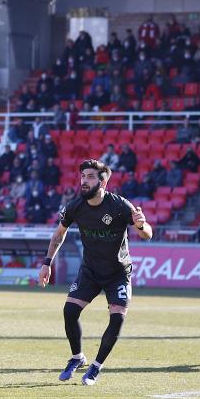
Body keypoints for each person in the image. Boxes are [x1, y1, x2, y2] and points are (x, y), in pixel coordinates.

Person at [39, 159, 152, 386]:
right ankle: (77, 357)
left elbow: (147, 234)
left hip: (118, 273)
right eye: (82, 176)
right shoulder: (74, 207)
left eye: (90, 177)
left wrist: (141, 225)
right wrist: (47, 262)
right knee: (70, 311)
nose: (84, 181)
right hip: (90, 271)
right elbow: (58, 234)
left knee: (117, 317)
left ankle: (95, 367)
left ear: (103, 181)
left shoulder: (120, 206)